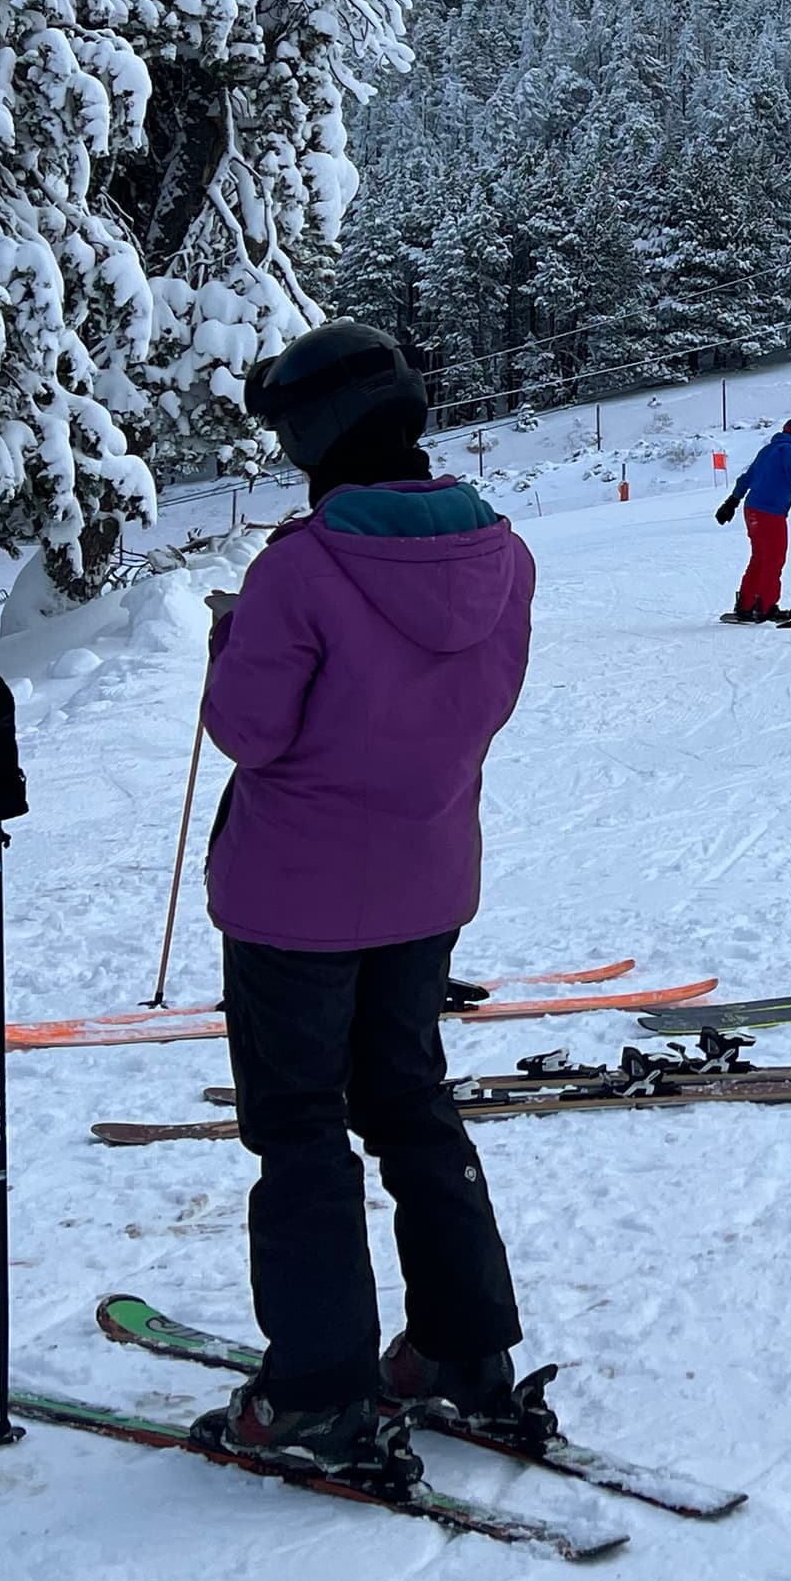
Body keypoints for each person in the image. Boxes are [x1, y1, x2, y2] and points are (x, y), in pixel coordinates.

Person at [192, 319, 539, 1487]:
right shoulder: (500, 553)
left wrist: (233, 638)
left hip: (294, 898)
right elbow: (479, 705)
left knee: (299, 1128)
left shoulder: (302, 568)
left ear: (312, 436)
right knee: (410, 1104)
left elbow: (249, 730)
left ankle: (318, 1393)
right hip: (425, 881)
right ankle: (463, 1347)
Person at [718, 415, 791, 625]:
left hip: (752, 510)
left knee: (759, 558)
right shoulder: (789, 450)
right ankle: (767, 608)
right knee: (773, 560)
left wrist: (732, 502)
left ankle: (746, 606)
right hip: (770, 513)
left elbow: (746, 478)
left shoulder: (767, 450)